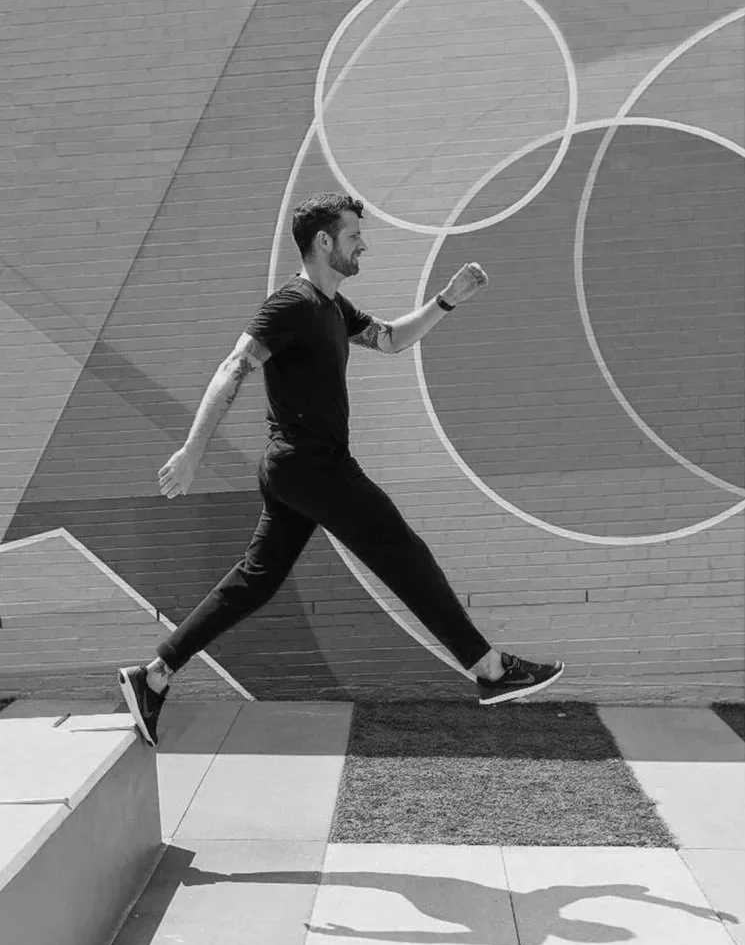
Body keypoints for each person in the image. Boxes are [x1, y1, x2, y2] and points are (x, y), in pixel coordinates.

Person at [118, 193, 564, 745]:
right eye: (354, 235)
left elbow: (392, 339)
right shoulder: (292, 304)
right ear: (324, 241)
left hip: (295, 471)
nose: (363, 245)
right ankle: (490, 669)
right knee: (403, 551)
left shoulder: (332, 308)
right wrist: (192, 451)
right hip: (312, 465)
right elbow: (234, 366)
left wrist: (446, 300)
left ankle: (153, 677)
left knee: (256, 580)